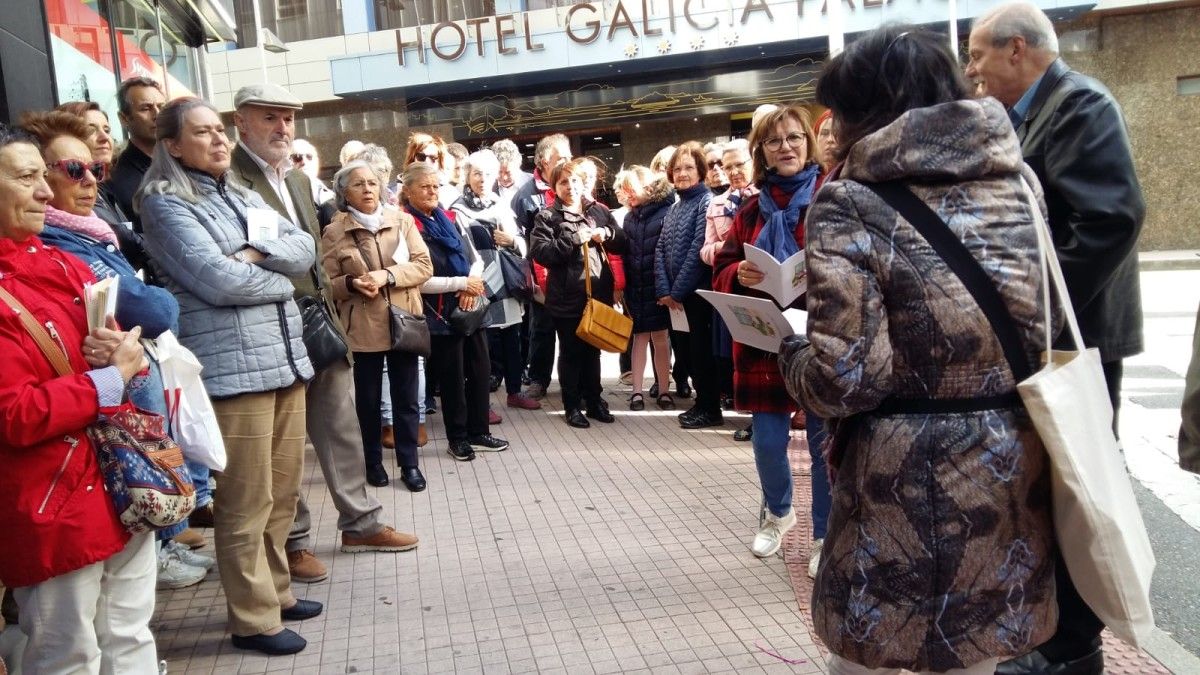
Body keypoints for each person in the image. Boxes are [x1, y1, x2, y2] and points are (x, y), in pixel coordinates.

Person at [778, 26, 1058, 673]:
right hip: (1005, 459)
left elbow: (848, 377)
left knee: (868, 655)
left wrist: (790, 355)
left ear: (864, 111)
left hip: (895, 480)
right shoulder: (1019, 183)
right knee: (975, 650)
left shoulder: (849, 200)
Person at [967, 4, 1145, 672]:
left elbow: (1108, 220)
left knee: (1079, 487)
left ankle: (1072, 644)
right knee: (1048, 488)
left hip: (1079, 340)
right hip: (1057, 339)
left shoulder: (1080, 106)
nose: (972, 70)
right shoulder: (1031, 113)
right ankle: (1052, 634)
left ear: (1017, 49)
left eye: (979, 54)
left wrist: (1031, 308)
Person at [137, 96, 318, 656]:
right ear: (172, 145)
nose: (219, 141)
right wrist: (280, 278)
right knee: (245, 501)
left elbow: (305, 247)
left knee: (283, 493)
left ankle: (278, 594)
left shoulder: (238, 191)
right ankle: (253, 619)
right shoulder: (164, 202)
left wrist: (256, 255)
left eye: (220, 131)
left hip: (284, 361)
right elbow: (219, 281)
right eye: (203, 133)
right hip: (232, 371)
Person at [229, 85, 421, 584]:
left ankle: (360, 523)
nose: (282, 127)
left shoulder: (295, 181)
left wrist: (335, 317)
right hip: (271, 327)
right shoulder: (229, 179)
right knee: (286, 445)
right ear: (241, 122)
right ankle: (293, 542)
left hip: (320, 324)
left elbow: (310, 258)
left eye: (288, 118)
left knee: (340, 427)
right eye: (270, 117)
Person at [18, 110, 214, 589]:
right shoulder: (60, 245)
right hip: (86, 452)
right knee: (76, 631)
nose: (89, 181)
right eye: (71, 171)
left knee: (124, 615)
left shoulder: (87, 236)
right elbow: (153, 308)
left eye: (95, 170)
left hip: (114, 430)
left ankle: (164, 539)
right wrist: (151, 311)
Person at [0, 121, 160, 674]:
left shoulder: (61, 262)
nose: (47, 190)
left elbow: (118, 351)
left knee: (129, 637)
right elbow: (13, 415)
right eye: (26, 178)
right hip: (53, 504)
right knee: (66, 654)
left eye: (44, 176)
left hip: (115, 484)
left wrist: (120, 355)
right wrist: (110, 379)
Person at [710, 105, 829, 568]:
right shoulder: (749, 209)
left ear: (808, 142)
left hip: (819, 335)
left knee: (823, 445)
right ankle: (779, 512)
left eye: (795, 138)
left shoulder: (830, 196)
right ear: (762, 150)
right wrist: (737, 273)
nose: (786, 148)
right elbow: (720, 268)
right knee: (767, 440)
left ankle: (824, 537)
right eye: (775, 141)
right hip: (765, 337)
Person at [323, 159, 433, 489]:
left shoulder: (402, 221)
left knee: (407, 398)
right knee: (368, 401)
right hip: (362, 325)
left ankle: (409, 463)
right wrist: (352, 283)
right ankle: (372, 461)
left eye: (372, 182)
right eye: (358, 184)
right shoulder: (333, 231)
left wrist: (387, 275)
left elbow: (424, 265)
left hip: (403, 320)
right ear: (344, 193)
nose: (368, 189)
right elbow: (326, 282)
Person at [405, 162, 510, 460]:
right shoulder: (408, 224)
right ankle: (458, 438)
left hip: (470, 304)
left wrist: (469, 285)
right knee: (452, 378)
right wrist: (460, 283)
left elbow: (475, 258)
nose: (432, 191)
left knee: (481, 370)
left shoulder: (452, 217)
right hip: (439, 313)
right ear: (408, 190)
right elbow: (417, 277)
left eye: (435, 185)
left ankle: (479, 433)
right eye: (424, 186)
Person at [531, 158, 627, 428]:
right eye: (563, 182)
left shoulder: (599, 211)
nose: (570, 186)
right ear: (555, 186)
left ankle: (595, 401)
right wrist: (573, 239)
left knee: (593, 352)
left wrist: (606, 233)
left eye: (575, 181)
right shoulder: (547, 216)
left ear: (584, 183)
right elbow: (542, 253)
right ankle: (572, 406)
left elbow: (622, 243)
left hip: (598, 294)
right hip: (566, 298)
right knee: (571, 353)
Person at [450, 149, 541, 411]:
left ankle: (515, 391)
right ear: (467, 175)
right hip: (478, 284)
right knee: (482, 346)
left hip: (505, 282)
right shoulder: (457, 209)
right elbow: (460, 250)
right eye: (477, 173)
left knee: (512, 338)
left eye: (487, 173)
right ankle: (481, 403)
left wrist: (511, 241)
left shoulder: (500, 205)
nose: (482, 178)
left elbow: (522, 243)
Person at [657, 141, 721, 429]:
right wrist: (664, 290)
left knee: (702, 353)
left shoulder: (706, 201)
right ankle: (701, 403)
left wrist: (676, 291)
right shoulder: (675, 206)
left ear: (700, 171)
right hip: (677, 297)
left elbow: (699, 248)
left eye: (689, 167)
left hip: (696, 294)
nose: (682, 173)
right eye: (678, 168)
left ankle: (710, 408)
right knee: (688, 352)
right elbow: (660, 248)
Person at [701, 138, 757, 443]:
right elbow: (706, 250)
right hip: (732, 286)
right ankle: (753, 416)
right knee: (739, 357)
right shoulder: (718, 203)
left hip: (765, 290)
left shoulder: (767, 198)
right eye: (728, 165)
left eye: (740, 164)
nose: (734, 171)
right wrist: (730, 251)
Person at [512, 133, 572, 400]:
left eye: (570, 156)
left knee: (572, 330)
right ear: (544, 161)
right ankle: (538, 379)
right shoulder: (526, 195)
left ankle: (578, 380)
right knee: (542, 328)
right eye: (562, 157)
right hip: (541, 272)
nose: (568, 162)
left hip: (572, 272)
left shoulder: (574, 184)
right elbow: (520, 240)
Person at [615, 165, 675, 410]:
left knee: (660, 338)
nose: (628, 195)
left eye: (632, 190)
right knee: (639, 338)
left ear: (648, 188)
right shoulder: (630, 217)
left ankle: (663, 390)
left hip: (657, 287)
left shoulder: (667, 212)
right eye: (625, 191)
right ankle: (637, 391)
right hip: (636, 287)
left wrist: (666, 288)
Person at [108, 77, 166, 234]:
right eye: (146, 108)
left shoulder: (188, 162)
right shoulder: (118, 177)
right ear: (124, 119)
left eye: (162, 106)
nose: (157, 114)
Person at [290, 138, 335, 206]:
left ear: (317, 161)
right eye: (297, 158)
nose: (304, 162)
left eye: (309, 156)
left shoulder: (333, 195)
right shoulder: (285, 196)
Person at [492, 138, 531, 204]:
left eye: (508, 172)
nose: (504, 178)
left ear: (518, 165)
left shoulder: (533, 183)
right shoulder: (488, 187)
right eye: (499, 172)